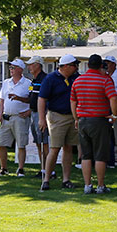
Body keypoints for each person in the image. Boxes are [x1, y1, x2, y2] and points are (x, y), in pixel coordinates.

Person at [70, 53, 117, 194]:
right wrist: (114, 115)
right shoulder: (105, 80)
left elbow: (73, 101)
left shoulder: (78, 81)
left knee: (86, 155)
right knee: (100, 155)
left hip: (83, 120)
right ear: (100, 65)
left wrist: (76, 118)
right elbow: (113, 98)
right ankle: (101, 186)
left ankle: (87, 185)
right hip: (99, 120)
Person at [38, 53, 80, 191]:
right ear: (66, 66)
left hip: (72, 117)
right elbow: (42, 99)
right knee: (55, 148)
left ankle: (66, 179)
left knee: (69, 148)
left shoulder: (76, 78)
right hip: (56, 116)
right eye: (74, 65)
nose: (76, 67)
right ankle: (46, 180)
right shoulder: (51, 79)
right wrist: (41, 119)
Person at [0, 58, 33, 177]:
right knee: (1, 143)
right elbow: (2, 101)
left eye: (13, 67)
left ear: (20, 69)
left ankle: (21, 169)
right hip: (6, 117)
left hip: (20, 117)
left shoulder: (28, 83)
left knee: (21, 144)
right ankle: (3, 168)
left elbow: (32, 100)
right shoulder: (6, 82)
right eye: (10, 67)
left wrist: (29, 111)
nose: (10, 69)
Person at [26, 55, 49, 176]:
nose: (29, 67)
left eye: (31, 64)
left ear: (38, 65)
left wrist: (43, 116)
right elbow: (31, 98)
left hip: (41, 115)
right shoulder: (33, 80)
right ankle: (43, 168)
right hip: (33, 113)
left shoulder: (44, 79)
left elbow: (45, 99)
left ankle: (50, 170)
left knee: (44, 142)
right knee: (38, 142)